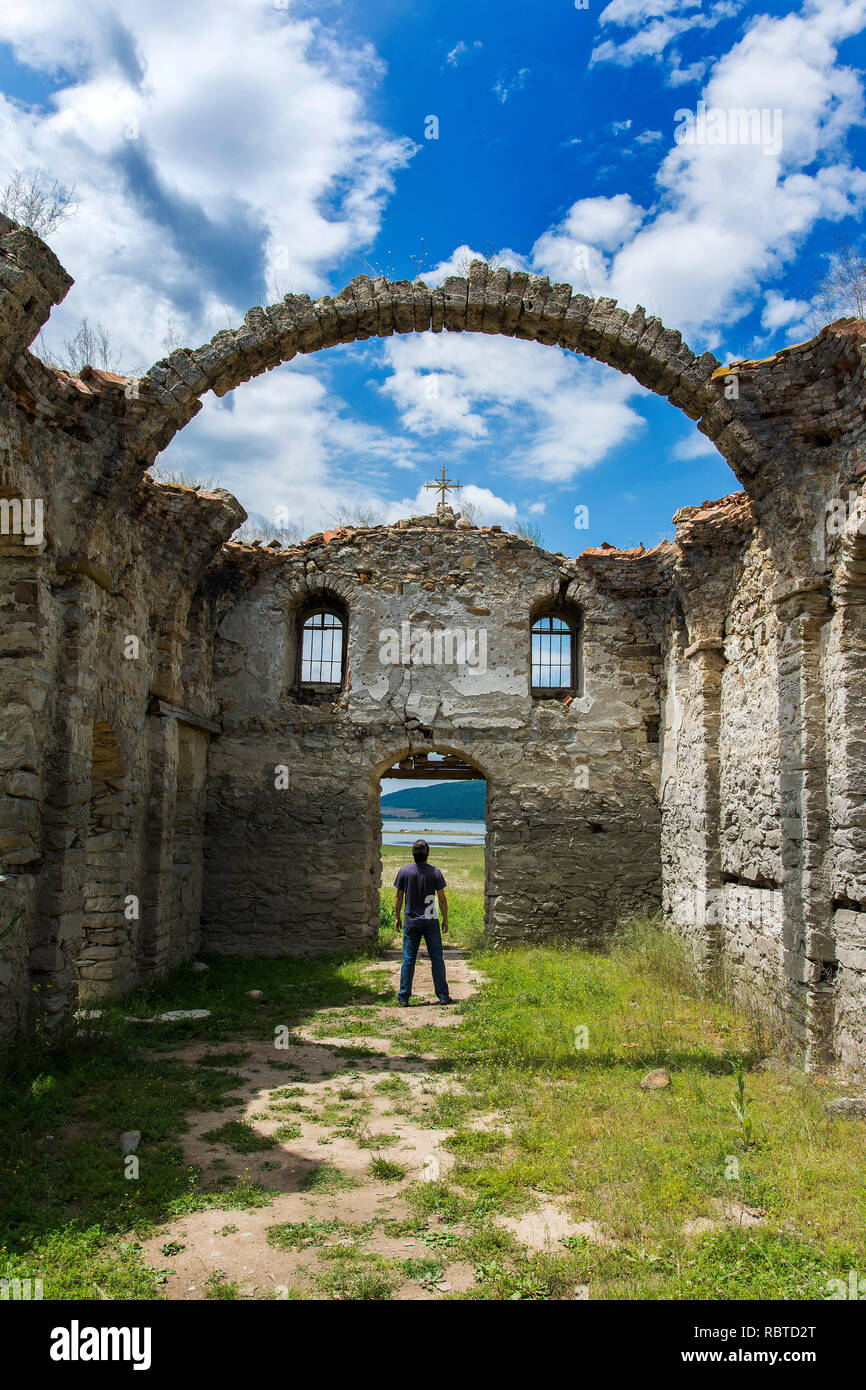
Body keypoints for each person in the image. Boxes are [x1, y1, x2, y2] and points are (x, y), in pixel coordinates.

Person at [393, 838, 454, 1006]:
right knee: (437, 958)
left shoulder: (404, 872)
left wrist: (397, 917)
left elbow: (399, 897)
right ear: (428, 854)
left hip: (411, 921)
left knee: (408, 959)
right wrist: (445, 919)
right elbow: (442, 898)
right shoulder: (435, 872)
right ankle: (443, 995)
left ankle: (403, 997)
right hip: (431, 920)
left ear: (413, 854)